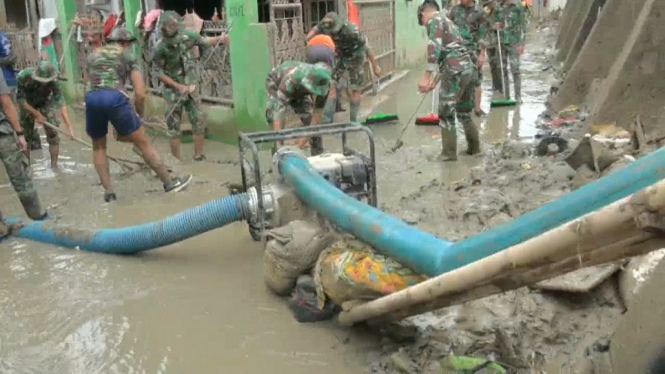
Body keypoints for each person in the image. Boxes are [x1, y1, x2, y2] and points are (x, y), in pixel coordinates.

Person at [85, 27, 192, 202]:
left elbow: (90, 83)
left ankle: (109, 193)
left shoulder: (93, 55)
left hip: (92, 98)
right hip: (114, 96)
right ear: (126, 43)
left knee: (98, 147)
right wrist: (139, 117)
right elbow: (140, 93)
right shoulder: (128, 56)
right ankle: (170, 183)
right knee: (143, 142)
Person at [152, 10, 229, 162]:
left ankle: (199, 155)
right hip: (172, 91)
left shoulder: (188, 36)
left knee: (198, 120)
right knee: (173, 126)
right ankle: (177, 161)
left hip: (191, 86)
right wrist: (178, 86)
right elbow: (157, 72)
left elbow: (205, 41)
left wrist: (222, 38)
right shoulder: (160, 48)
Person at [417, 0, 480, 161]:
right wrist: (435, 81)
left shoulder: (434, 21)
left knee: (445, 113)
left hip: (455, 70)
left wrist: (426, 76)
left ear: (424, 13)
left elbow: (435, 47)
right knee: (465, 112)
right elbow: (450, 52)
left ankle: (449, 154)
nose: (424, 25)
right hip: (468, 69)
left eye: (422, 21)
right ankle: (475, 149)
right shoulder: (449, 22)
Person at [306, 12, 380, 125]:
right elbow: (315, 30)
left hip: (356, 54)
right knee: (331, 83)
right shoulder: (325, 24)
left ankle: (353, 122)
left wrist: (375, 66)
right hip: (341, 54)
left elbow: (367, 49)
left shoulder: (351, 30)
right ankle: (327, 120)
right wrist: (308, 39)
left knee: (355, 88)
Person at [0, 66, 49, 238]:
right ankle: (39, 216)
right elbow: (6, 103)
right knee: (19, 176)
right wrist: (19, 133)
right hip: (2, 133)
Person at [15, 61, 75, 169]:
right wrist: (36, 114)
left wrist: (68, 125)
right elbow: (20, 99)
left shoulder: (54, 80)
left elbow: (60, 101)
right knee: (25, 136)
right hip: (27, 102)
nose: (43, 83)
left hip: (46, 101)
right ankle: (26, 168)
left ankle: (54, 167)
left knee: (53, 134)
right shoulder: (23, 76)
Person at [265, 61, 333, 155]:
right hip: (276, 82)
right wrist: (282, 149)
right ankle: (278, 152)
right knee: (272, 117)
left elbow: (316, 117)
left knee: (309, 120)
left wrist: (300, 144)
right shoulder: (291, 79)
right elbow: (278, 112)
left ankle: (317, 154)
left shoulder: (324, 84)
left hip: (300, 90)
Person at [449, 0, 489, 117]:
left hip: (473, 50)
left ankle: (477, 109)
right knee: (456, 78)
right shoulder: (455, 10)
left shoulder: (480, 12)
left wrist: (482, 54)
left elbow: (483, 34)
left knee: (476, 79)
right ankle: (455, 106)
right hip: (456, 50)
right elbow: (449, 28)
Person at [494, 0, 527, 103]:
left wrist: (521, 43)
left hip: (514, 43)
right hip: (501, 42)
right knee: (502, 69)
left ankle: (518, 96)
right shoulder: (498, 7)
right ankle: (506, 97)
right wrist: (496, 26)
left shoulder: (518, 7)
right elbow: (494, 23)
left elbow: (523, 26)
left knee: (515, 69)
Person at [482, 0, 503, 94]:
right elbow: (484, 24)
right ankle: (495, 86)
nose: (488, 6)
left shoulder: (499, 10)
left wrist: (500, 25)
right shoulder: (486, 12)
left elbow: (505, 23)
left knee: (499, 65)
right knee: (492, 64)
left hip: (499, 41)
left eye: (489, 3)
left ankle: (501, 87)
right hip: (489, 41)